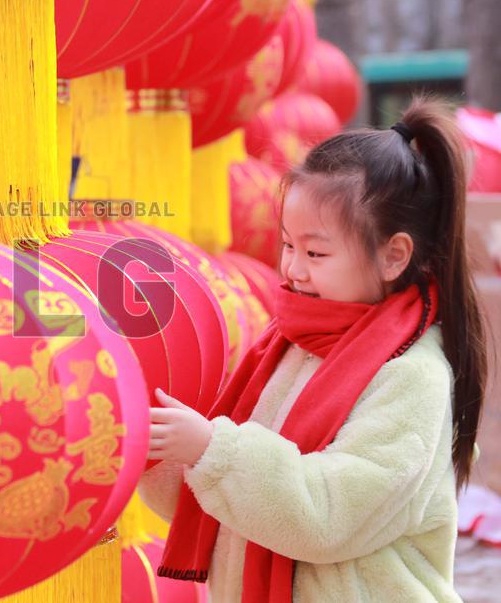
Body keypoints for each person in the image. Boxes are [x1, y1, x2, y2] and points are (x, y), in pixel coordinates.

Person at [140, 96, 488, 602]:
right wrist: (157, 449)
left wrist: (211, 449)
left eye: (316, 252)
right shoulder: (288, 346)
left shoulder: (412, 376)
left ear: (393, 256)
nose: (293, 270)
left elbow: (329, 517)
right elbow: (228, 503)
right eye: (287, 245)